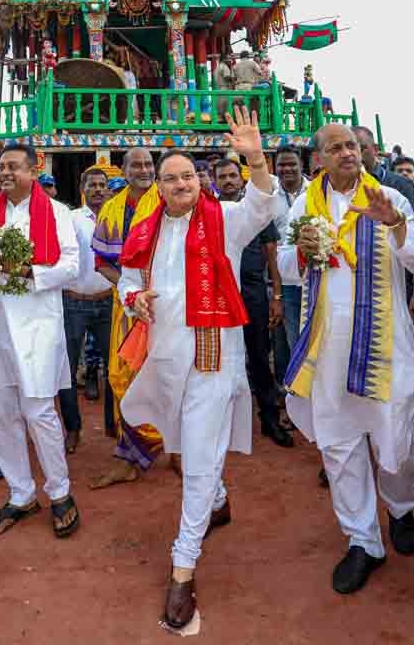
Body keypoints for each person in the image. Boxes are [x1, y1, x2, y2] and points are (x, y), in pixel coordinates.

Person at [280, 125, 414, 595]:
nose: (347, 154)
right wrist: (301, 252)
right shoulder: (305, 204)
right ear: (318, 157)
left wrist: (396, 226)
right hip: (327, 349)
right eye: (336, 147)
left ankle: (401, 508)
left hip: (385, 346)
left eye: (353, 147)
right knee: (339, 447)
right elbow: (283, 264)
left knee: (395, 440)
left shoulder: (388, 199)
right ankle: (363, 540)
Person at [118, 107, 278, 629]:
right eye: (170, 178)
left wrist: (254, 157)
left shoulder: (225, 221)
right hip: (165, 359)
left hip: (214, 358)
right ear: (157, 187)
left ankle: (183, 569)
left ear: (200, 181)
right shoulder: (145, 232)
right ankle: (221, 501)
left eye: (188, 175)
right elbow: (126, 283)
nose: (180, 183)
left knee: (198, 460)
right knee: (185, 447)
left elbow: (262, 202)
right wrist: (134, 299)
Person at [0, 144, 81, 539]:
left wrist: (29, 271)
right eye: (0, 168)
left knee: (38, 411)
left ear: (33, 169)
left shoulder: (58, 213)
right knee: (0, 412)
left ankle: (60, 492)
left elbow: (72, 266)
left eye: (13, 166)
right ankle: (21, 493)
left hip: (36, 326)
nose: (4, 173)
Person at [90, 148, 163, 488]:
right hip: (128, 305)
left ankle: (175, 449)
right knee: (124, 377)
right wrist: (131, 288)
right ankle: (128, 457)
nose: (144, 169)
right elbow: (102, 262)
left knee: (170, 373)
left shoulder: (168, 199)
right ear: (124, 169)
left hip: (170, 304)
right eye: (137, 164)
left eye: (149, 164)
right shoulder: (111, 208)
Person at [215, 157, 292, 447]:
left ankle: (270, 420)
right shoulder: (210, 211)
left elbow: (271, 252)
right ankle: (226, 425)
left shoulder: (257, 208)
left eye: (232, 175)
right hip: (221, 293)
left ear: (242, 177)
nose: (228, 181)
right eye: (222, 177)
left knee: (259, 356)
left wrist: (276, 295)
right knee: (222, 358)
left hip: (253, 292)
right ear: (215, 181)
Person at [59, 167, 112, 454]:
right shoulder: (71, 219)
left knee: (115, 367)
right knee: (66, 368)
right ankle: (73, 428)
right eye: (92, 185)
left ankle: (113, 424)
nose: (98, 189)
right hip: (74, 302)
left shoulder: (117, 217)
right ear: (83, 188)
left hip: (108, 301)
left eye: (102, 184)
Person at [272, 147, 309, 357]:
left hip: (313, 277)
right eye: (281, 165)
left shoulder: (317, 192)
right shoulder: (269, 197)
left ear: (301, 165)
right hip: (285, 282)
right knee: (293, 340)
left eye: (292, 164)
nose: (286, 169)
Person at [354, 128, 414, 220]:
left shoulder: (402, 184)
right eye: (352, 149)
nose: (356, 155)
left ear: (375, 149)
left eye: (362, 148)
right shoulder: (337, 186)